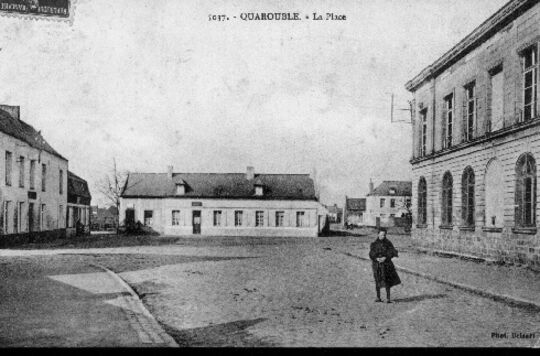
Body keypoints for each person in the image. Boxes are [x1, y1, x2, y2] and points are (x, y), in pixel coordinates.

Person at [369, 228, 401, 303]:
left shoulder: (388, 243)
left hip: (386, 264)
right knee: (377, 280)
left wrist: (385, 257)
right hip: (376, 264)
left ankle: (388, 298)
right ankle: (378, 297)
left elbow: (393, 252)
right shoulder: (374, 244)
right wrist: (376, 258)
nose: (382, 236)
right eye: (381, 235)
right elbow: (371, 253)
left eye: (384, 235)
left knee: (387, 280)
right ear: (378, 234)